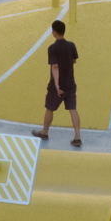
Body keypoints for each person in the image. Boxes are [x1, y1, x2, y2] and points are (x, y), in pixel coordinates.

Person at [35, 19, 81, 147]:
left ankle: (44, 132)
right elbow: (74, 61)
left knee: (50, 108)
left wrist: (56, 85)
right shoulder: (71, 45)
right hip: (70, 84)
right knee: (73, 109)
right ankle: (77, 137)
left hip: (57, 86)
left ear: (54, 32)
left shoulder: (52, 48)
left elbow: (54, 67)